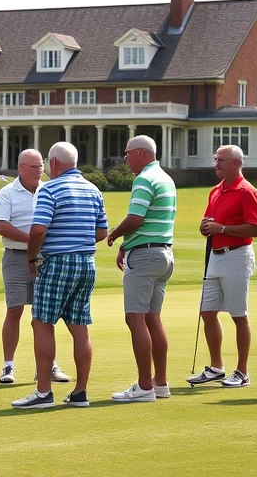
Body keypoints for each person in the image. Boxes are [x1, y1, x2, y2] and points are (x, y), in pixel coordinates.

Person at [12, 142, 108, 409]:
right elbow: (101, 232)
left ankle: (43, 392)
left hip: (57, 263)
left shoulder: (50, 189)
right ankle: (80, 392)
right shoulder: (93, 189)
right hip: (86, 263)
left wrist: (32, 258)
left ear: (53, 163)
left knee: (42, 322)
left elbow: (38, 229)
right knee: (79, 327)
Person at [106, 135, 176, 403]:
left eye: (127, 154)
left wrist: (115, 234)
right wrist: (127, 243)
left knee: (135, 319)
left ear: (141, 153)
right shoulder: (165, 177)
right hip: (163, 253)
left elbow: (135, 219)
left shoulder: (144, 179)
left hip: (146, 257)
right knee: (152, 318)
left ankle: (144, 386)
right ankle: (160, 383)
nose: (125, 159)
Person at [0, 149, 70, 384]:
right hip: (16, 257)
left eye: (41, 166)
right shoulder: (7, 193)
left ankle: (48, 366)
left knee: (44, 314)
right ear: (21, 167)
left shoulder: (48, 189)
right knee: (15, 309)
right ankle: (8, 366)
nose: (40, 171)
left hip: (45, 258)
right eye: (35, 167)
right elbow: (1, 226)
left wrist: (40, 245)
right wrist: (31, 240)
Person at [189, 145, 257, 388]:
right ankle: (216, 367)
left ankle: (242, 372)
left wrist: (221, 228)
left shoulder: (246, 191)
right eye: (215, 159)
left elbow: (255, 228)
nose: (216, 164)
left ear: (235, 163)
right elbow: (211, 223)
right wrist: (206, 227)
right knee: (207, 312)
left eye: (221, 160)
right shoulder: (216, 191)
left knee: (239, 315)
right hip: (215, 256)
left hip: (237, 256)